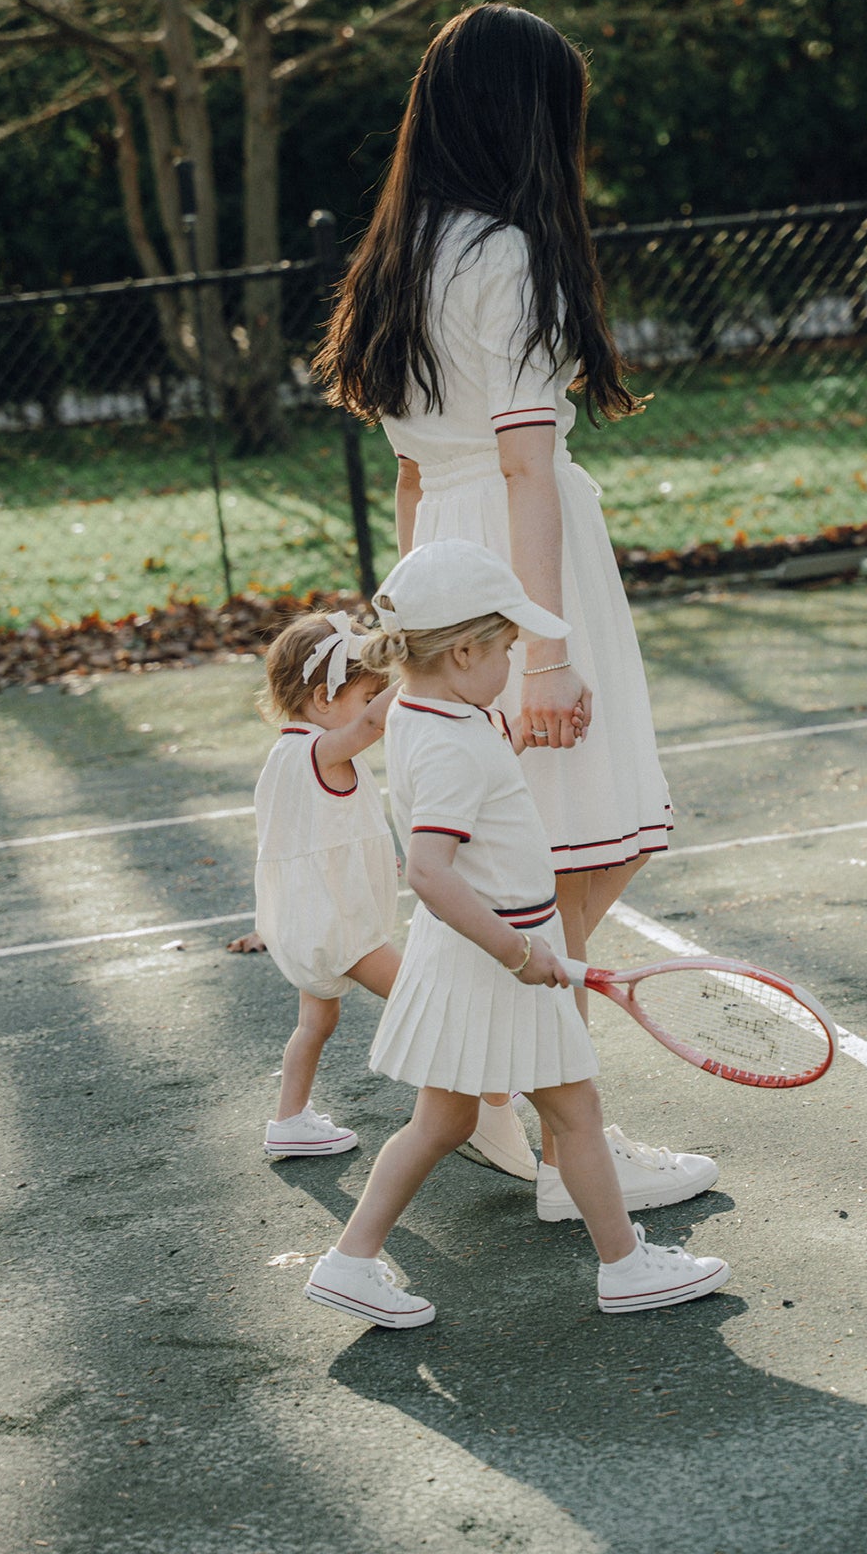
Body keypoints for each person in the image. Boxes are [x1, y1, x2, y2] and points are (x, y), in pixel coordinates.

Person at [316, 0, 717, 1214]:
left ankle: (510, 1109)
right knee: (588, 842)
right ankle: (556, 1132)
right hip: (516, 566)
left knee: (547, 848)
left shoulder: (400, 252)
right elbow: (528, 464)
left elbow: (407, 474)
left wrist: (412, 637)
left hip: (448, 560)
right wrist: (538, 653)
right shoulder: (505, 253)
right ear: (527, 119)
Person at [303, 541, 730, 1325]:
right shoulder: (451, 741)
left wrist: (525, 737)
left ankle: (349, 1261)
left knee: (443, 1121)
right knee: (575, 1114)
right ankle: (625, 1267)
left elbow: (476, 767)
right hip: (497, 958)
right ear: (464, 650)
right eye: (506, 647)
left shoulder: (424, 710)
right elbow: (428, 871)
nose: (512, 660)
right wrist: (519, 951)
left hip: (469, 961)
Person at [248, 611, 403, 1158]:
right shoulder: (318, 751)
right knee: (424, 995)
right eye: (368, 695)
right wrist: (418, 674)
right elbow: (369, 728)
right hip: (340, 925)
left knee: (316, 1023)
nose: (375, 708)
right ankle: (493, 1094)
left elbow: (326, 835)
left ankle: (289, 1120)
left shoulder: (289, 753)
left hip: (309, 918)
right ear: (321, 700)